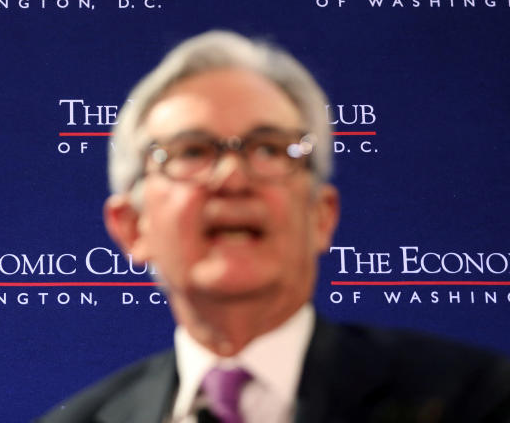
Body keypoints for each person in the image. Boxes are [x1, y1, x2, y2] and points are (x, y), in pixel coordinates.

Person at [39, 31, 510, 423]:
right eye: (192, 151)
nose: (232, 177)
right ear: (132, 227)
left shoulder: (476, 400)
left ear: (321, 215)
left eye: (269, 149)